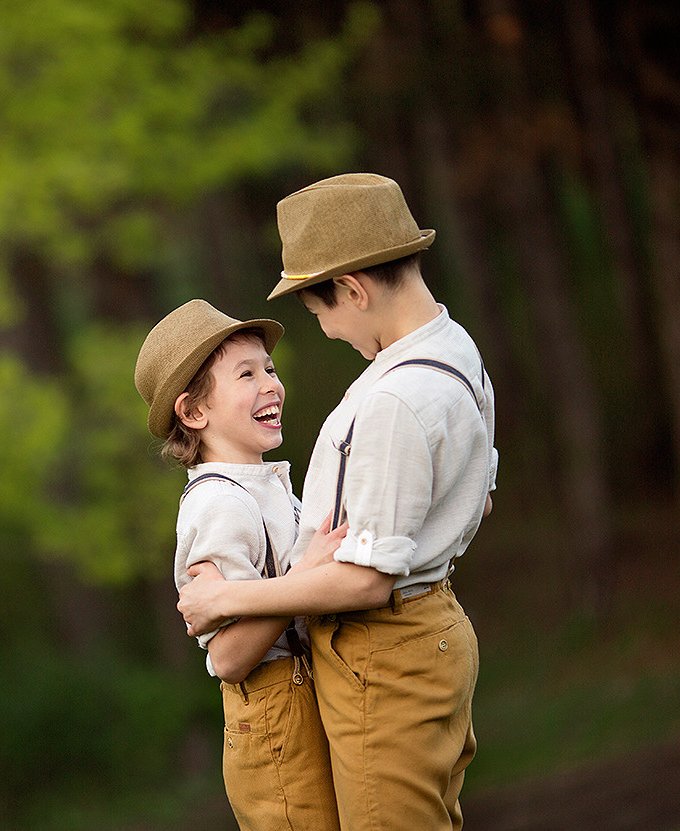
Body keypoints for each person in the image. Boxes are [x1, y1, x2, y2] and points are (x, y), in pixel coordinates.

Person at [178, 173, 498, 831]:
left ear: (353, 290)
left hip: (386, 649)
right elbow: (478, 500)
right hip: (430, 629)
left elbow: (364, 579)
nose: (324, 331)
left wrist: (227, 598)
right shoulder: (456, 351)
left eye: (319, 311)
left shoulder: (392, 399)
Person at [134, 299, 346, 831]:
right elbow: (229, 657)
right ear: (193, 413)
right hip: (274, 713)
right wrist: (306, 575)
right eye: (246, 375)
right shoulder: (219, 503)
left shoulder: (265, 485)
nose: (271, 385)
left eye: (269, 369)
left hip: (310, 693)